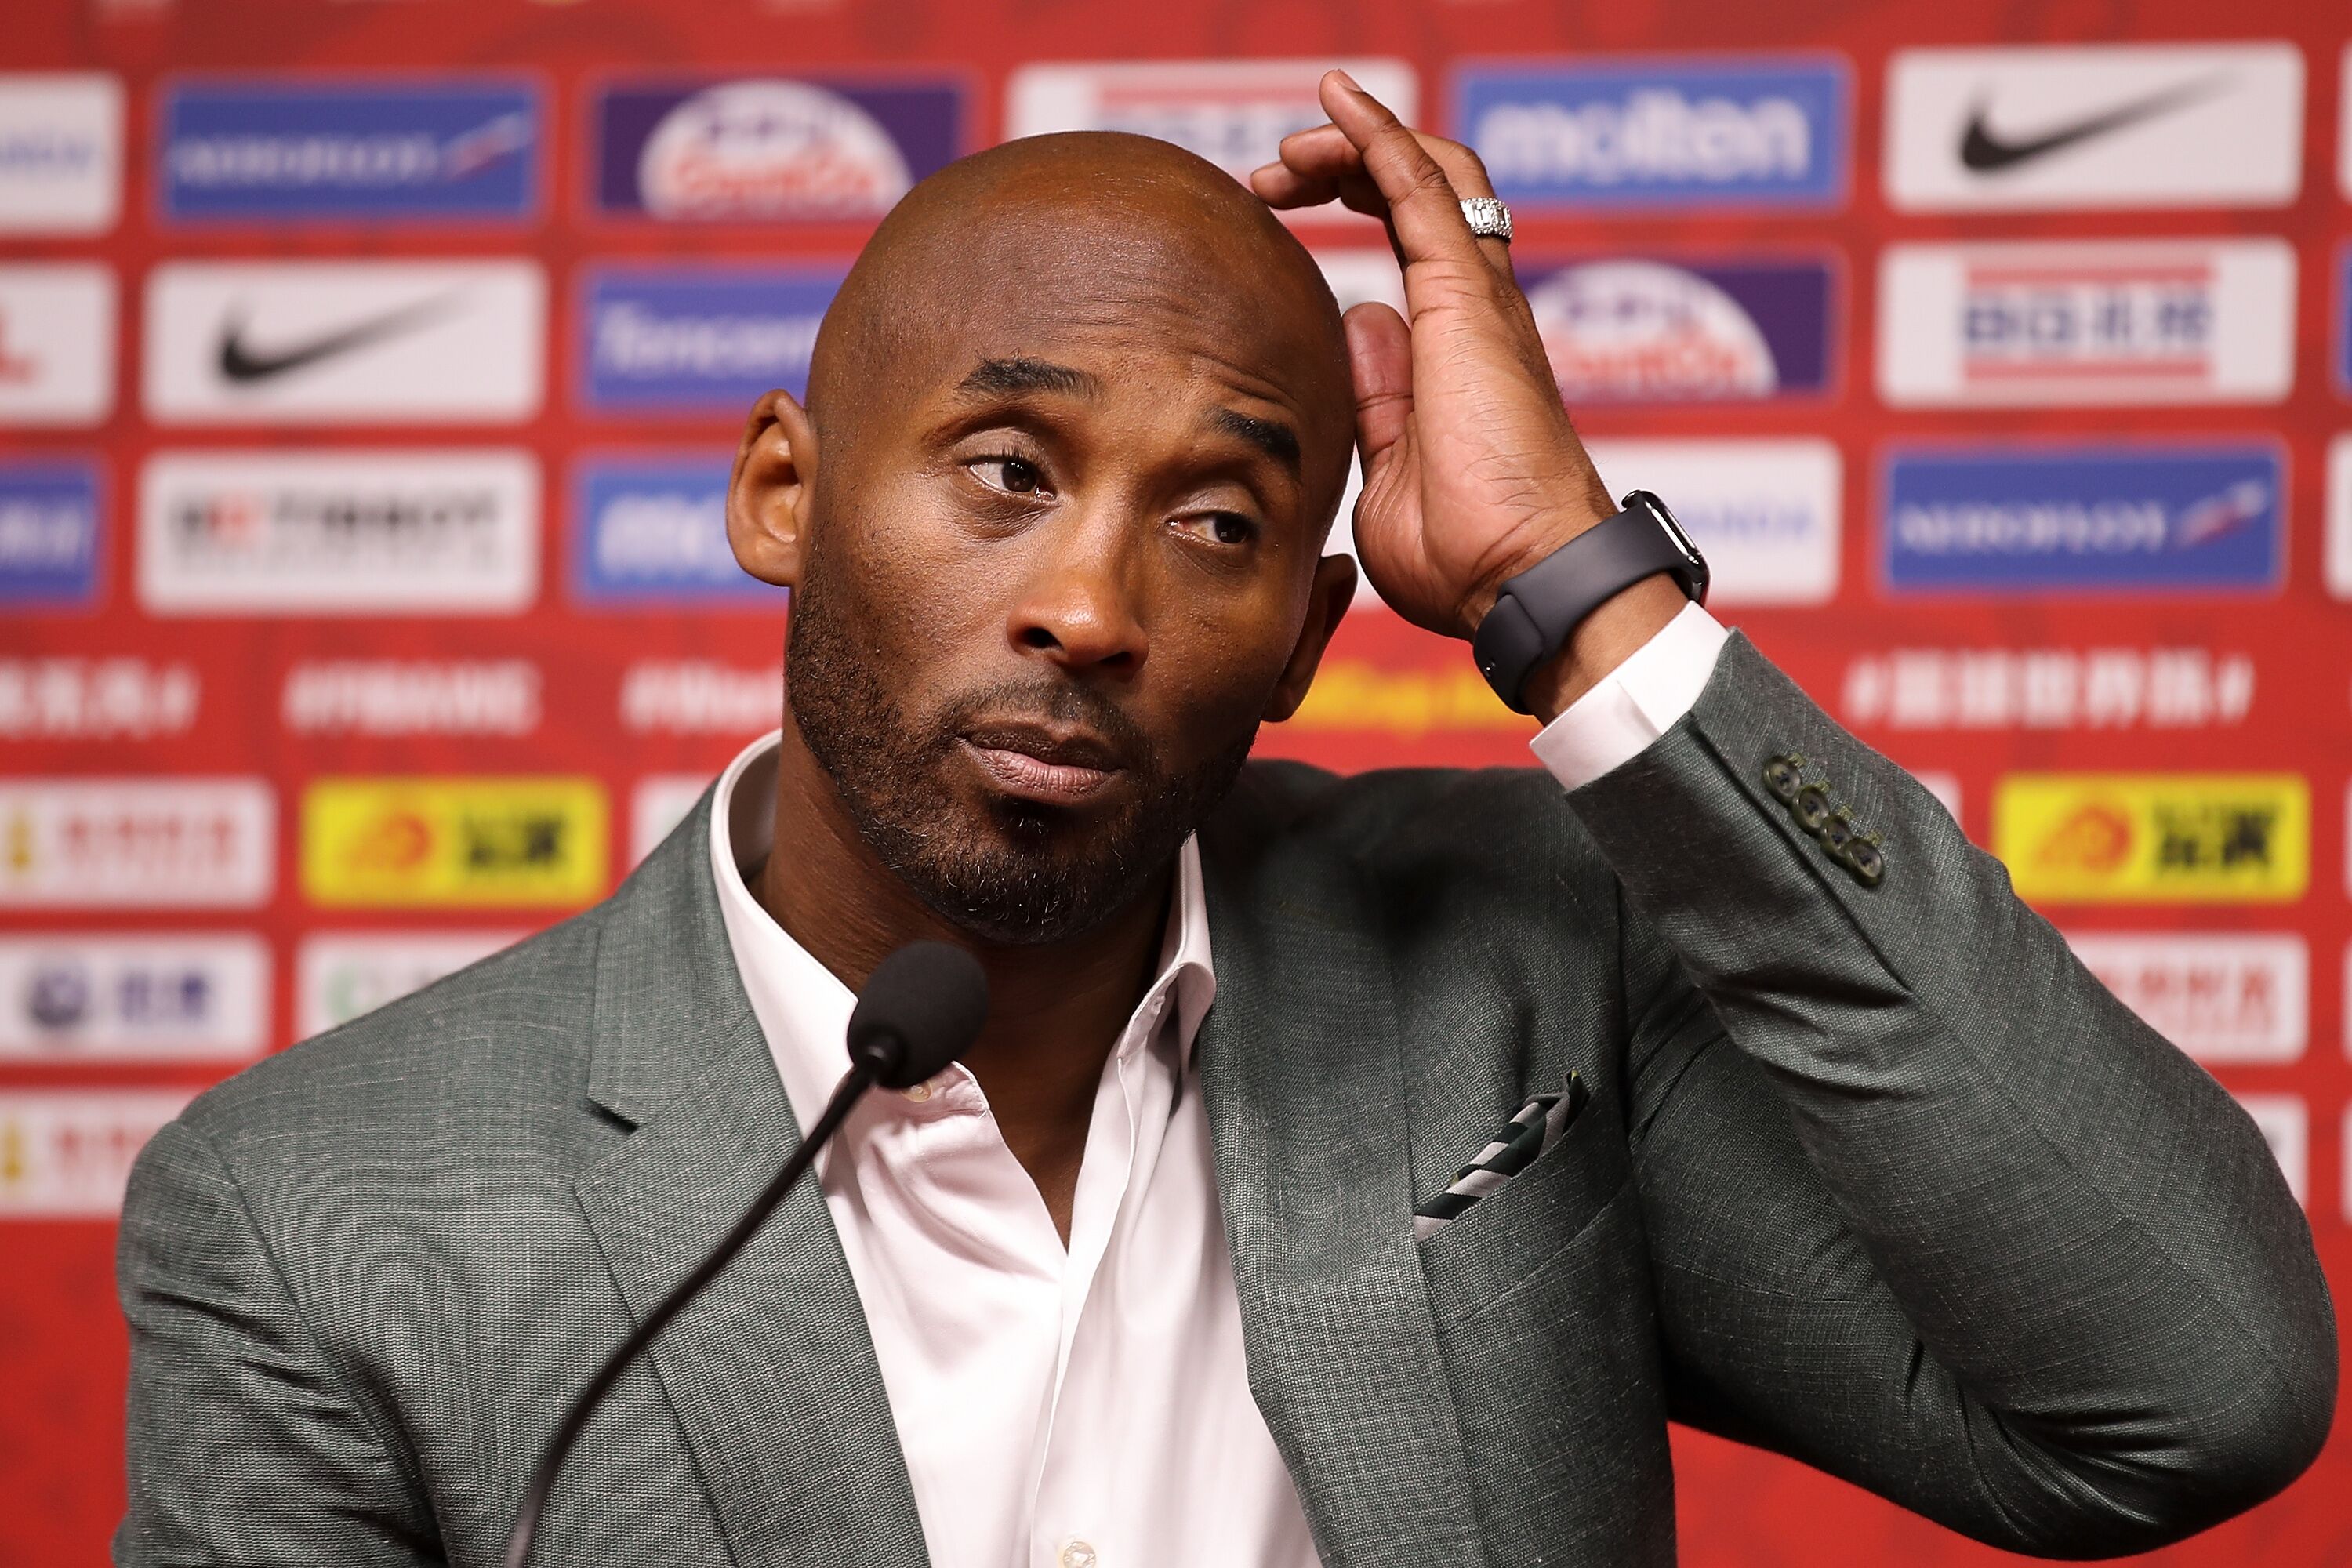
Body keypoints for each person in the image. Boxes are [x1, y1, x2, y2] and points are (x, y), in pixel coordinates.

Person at [117, 71, 2334, 1568]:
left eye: (1219, 517)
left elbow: (2185, 1392)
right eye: (1008, 470)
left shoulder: (1511, 967)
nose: (1091, 603)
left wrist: (1585, 599)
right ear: (784, 492)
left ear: (1304, 633)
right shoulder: (318, 1221)